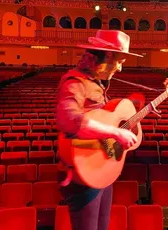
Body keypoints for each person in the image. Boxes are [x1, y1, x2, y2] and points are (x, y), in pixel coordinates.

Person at [56, 30, 144, 230]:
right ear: (108, 56)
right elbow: (68, 120)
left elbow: (101, 119)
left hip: (102, 167)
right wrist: (116, 133)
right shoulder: (75, 82)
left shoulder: (97, 84)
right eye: (120, 61)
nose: (120, 69)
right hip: (82, 174)